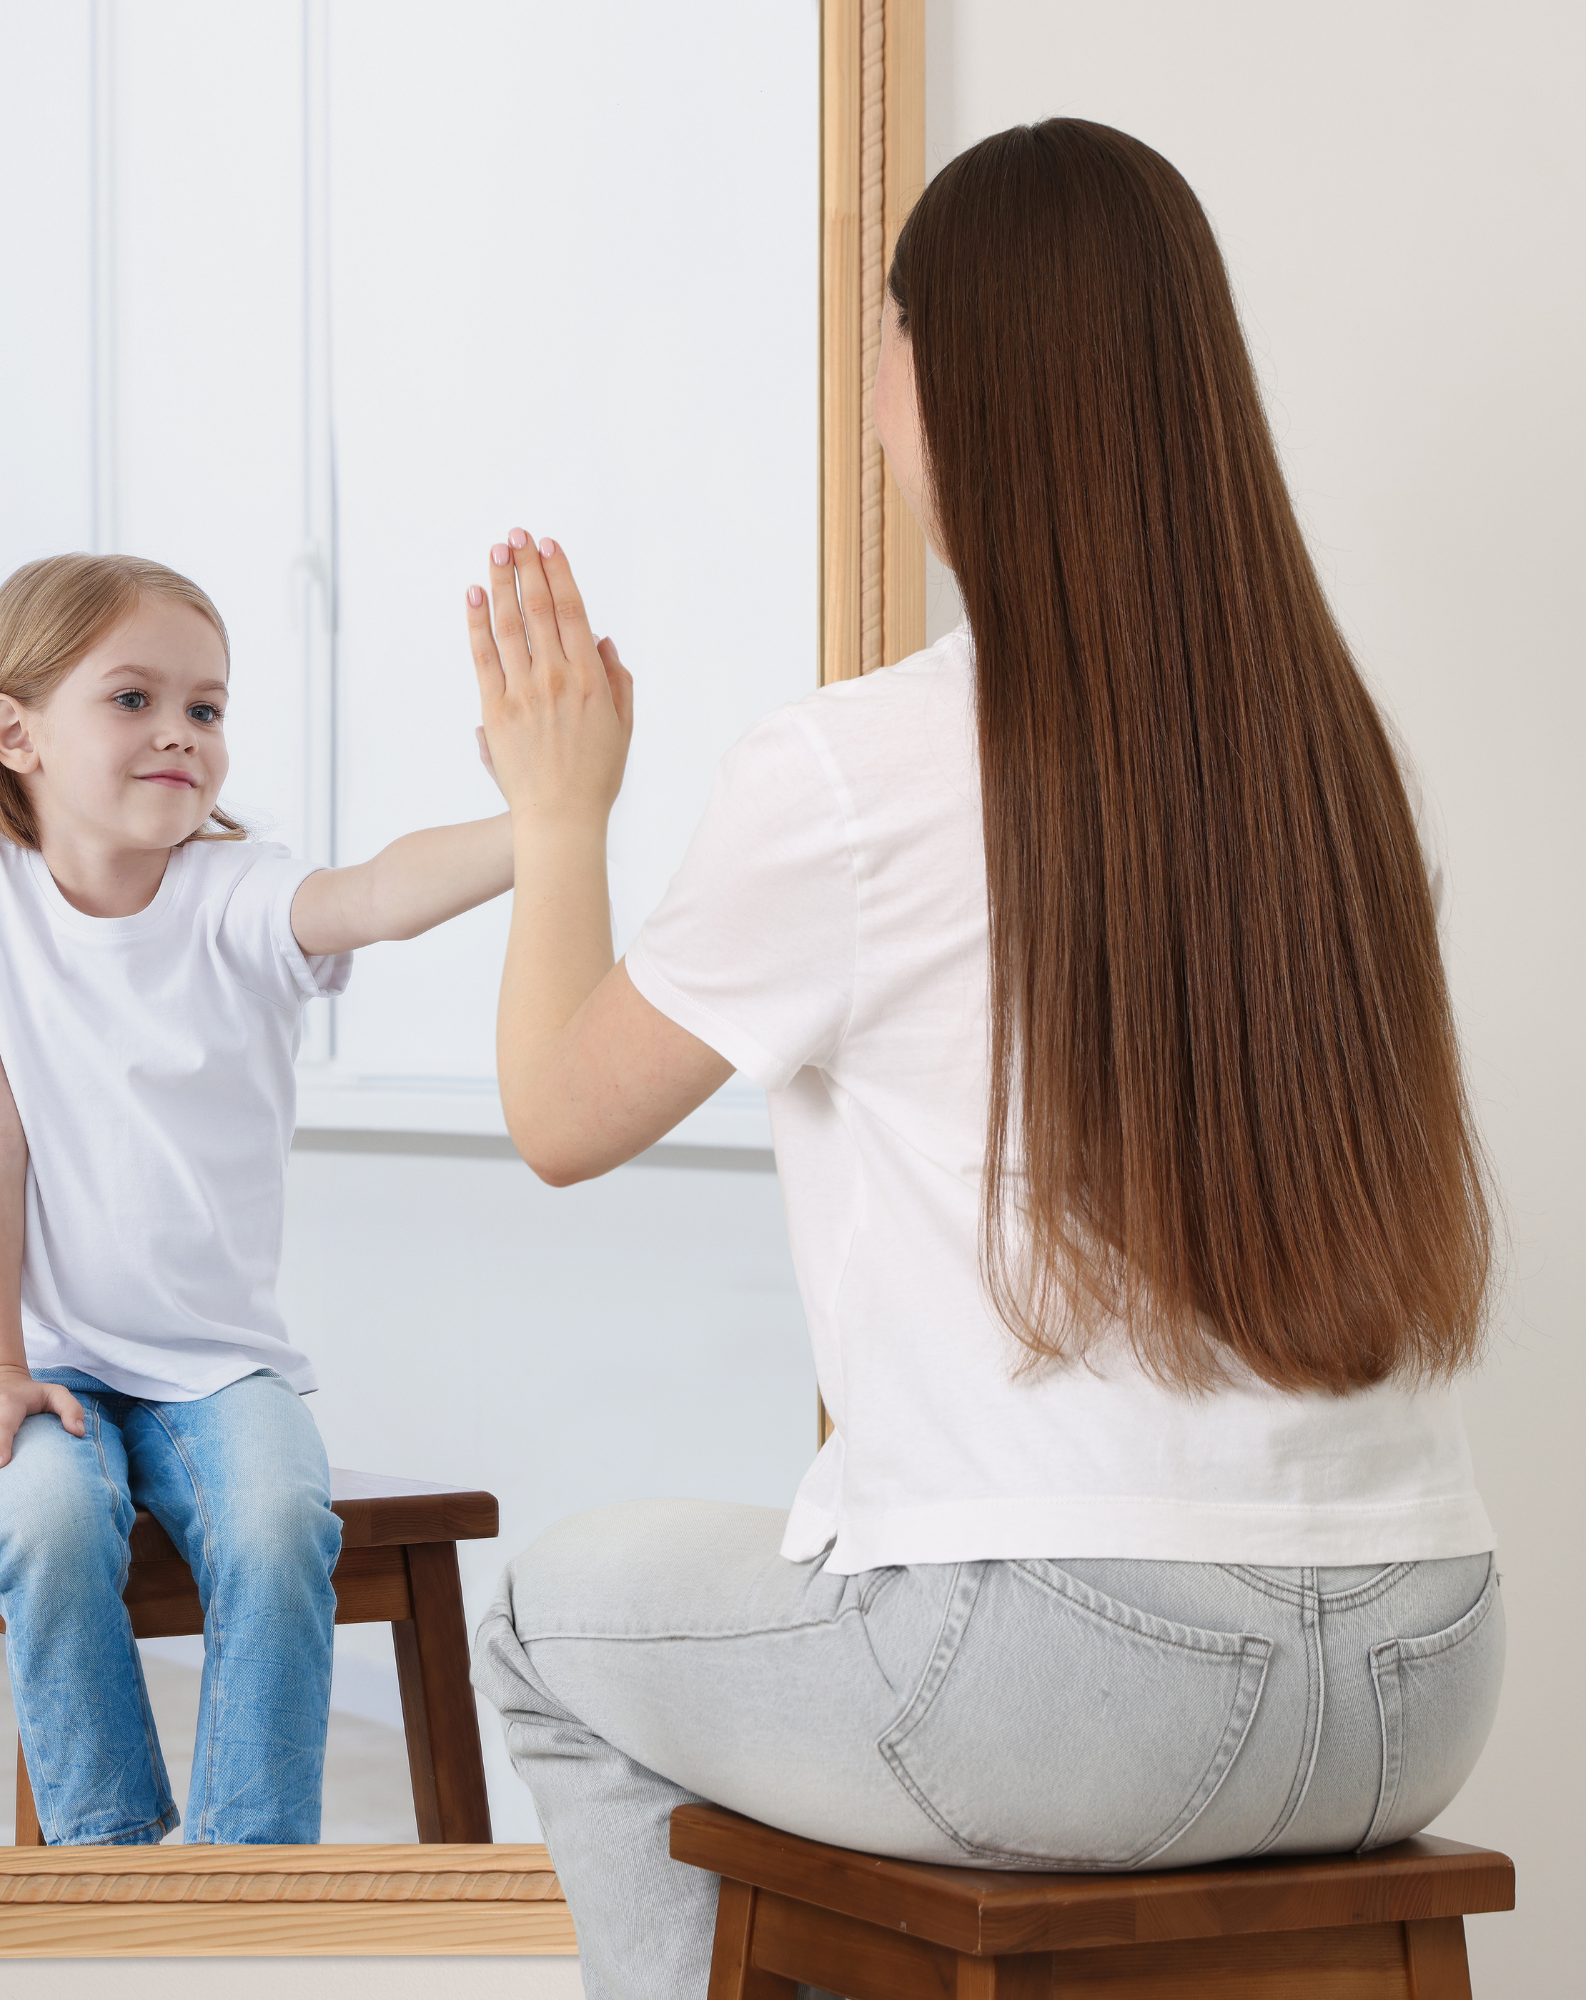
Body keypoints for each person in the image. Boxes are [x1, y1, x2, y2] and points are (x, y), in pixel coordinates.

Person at [463, 120, 1504, 1999]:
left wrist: (558, 812)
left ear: (951, 376)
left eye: (886, 338)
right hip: (1430, 1668)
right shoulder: (1335, 759)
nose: (872, 394)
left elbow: (557, 1115)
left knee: (540, 1613)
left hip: (1074, 1681)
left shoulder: (848, 772)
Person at [0, 551, 511, 1845]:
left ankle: (248, 1874)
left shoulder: (237, 892)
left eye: (207, 707)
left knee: (281, 1518)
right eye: (133, 699)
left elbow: (378, 895)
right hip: (35, 1358)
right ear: (16, 732)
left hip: (215, 1370)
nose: (180, 732)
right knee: (54, 1522)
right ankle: (113, 1865)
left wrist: (543, 823)